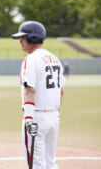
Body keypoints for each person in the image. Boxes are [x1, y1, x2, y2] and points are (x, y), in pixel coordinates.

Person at [11, 21, 65, 169]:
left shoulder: (31, 59)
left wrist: (28, 119)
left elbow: (30, 90)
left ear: (32, 38)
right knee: (50, 162)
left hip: (36, 117)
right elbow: (61, 91)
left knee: (36, 164)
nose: (21, 42)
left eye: (23, 37)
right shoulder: (55, 59)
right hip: (54, 117)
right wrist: (54, 114)